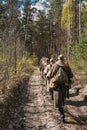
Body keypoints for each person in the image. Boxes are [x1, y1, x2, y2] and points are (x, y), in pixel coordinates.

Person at [49, 54, 73, 123]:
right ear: (63, 59)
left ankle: (62, 117)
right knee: (62, 101)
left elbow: (51, 74)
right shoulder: (66, 65)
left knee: (58, 102)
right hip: (65, 86)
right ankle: (62, 115)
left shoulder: (54, 65)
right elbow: (71, 75)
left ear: (58, 59)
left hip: (57, 86)